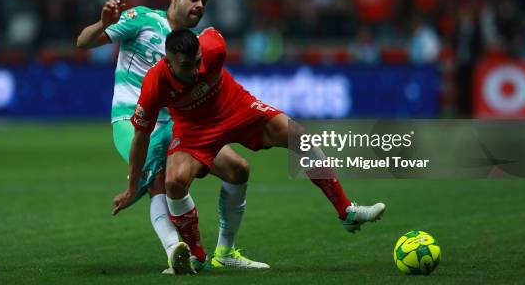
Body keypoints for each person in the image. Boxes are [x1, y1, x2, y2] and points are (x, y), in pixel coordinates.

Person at [112, 27, 386, 273]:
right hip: (194, 130)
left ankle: (346, 211)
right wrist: (132, 186)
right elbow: (141, 137)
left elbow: (208, 33)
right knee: (175, 181)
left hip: (235, 107)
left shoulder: (214, 47)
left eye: (197, 62)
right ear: (167, 61)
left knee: (298, 137)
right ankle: (198, 257)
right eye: (186, 66)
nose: (195, 71)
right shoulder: (154, 83)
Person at [77, 0, 268, 274]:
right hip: (131, 119)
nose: (199, 6)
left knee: (237, 170)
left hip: (178, 124)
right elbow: (83, 42)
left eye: (203, 1)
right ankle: (175, 251)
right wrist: (103, 23)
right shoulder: (142, 19)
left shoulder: (193, 44)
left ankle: (225, 251)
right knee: (158, 180)